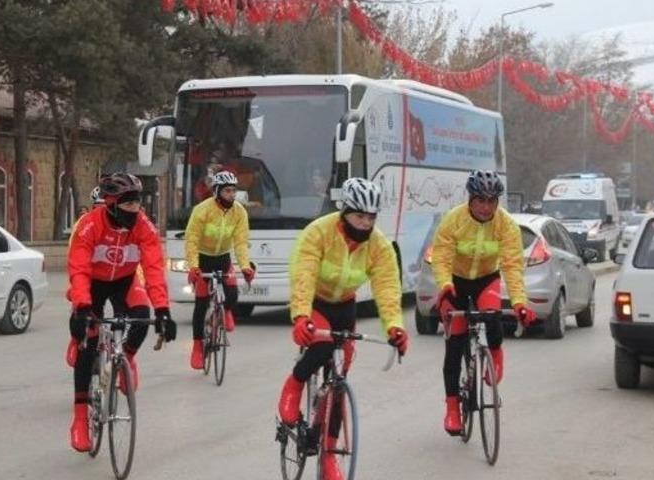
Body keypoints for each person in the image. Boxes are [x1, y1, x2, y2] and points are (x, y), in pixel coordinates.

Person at [276, 178, 408, 480]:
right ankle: (293, 385)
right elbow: (304, 275)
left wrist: (395, 328)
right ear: (344, 211)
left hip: (344, 305)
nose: (365, 223)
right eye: (359, 216)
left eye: (371, 217)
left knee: (340, 379)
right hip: (316, 303)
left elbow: (387, 287)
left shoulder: (379, 245)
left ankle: (329, 454)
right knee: (322, 346)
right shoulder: (318, 232)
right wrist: (300, 316)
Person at [65, 172, 177, 452]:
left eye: (138, 204)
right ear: (112, 203)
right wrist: (81, 306)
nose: (135, 211)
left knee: (141, 320)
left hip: (125, 282)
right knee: (88, 342)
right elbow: (78, 269)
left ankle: (124, 360)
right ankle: (80, 417)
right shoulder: (89, 225)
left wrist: (163, 310)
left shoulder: (144, 226)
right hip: (93, 284)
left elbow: (153, 268)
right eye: (129, 205)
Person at [430, 170, 536, 436]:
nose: (486, 207)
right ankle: (452, 408)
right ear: (471, 199)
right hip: (454, 281)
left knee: (492, 316)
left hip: (486, 278)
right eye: (481, 200)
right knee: (455, 344)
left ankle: (495, 354)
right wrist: (444, 286)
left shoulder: (506, 224)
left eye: (492, 201)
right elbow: (441, 257)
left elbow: (512, 266)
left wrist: (520, 302)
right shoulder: (453, 220)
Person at [185, 170, 255, 369]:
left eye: (234, 191)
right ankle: (198, 347)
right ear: (216, 192)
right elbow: (192, 240)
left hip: (223, 258)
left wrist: (245, 267)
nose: (232, 195)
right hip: (203, 258)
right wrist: (193, 266)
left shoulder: (239, 211)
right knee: (201, 304)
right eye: (227, 191)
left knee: (232, 293)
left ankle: (223, 312)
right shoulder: (202, 210)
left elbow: (241, 242)